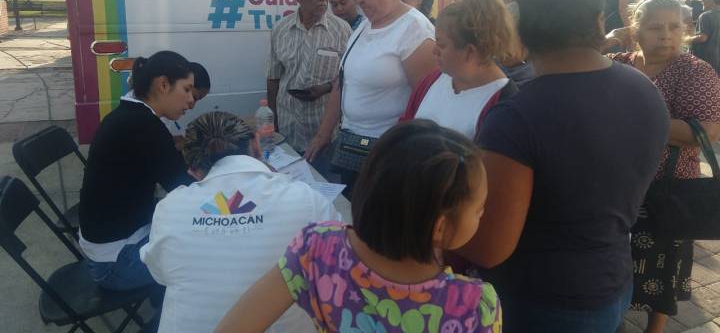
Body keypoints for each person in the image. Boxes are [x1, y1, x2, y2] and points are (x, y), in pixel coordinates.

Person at [455, 0, 670, 332]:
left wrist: (433, 227)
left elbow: (491, 248)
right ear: (598, 20)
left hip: (542, 301)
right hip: (614, 282)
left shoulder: (517, 117)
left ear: (520, 29)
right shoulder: (644, 90)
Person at [214, 120, 501, 333]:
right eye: (479, 209)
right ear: (439, 227)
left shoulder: (316, 247)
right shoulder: (472, 306)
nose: (483, 213)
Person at [140, 111, 340, 333]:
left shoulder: (171, 207)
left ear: (194, 172)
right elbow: (337, 268)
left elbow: (160, 274)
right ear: (256, 144)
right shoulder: (306, 199)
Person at [605, 0, 720, 333]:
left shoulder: (694, 71)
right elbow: (578, 66)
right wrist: (610, 39)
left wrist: (630, 117)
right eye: (655, 27)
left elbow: (705, 132)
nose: (666, 35)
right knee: (613, 261)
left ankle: (654, 328)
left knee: (663, 265)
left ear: (685, 30)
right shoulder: (618, 63)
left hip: (668, 187)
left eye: (674, 27)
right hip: (615, 185)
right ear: (635, 30)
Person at [304, 0, 436, 194]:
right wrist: (323, 134)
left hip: (388, 156)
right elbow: (342, 82)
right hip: (352, 147)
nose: (359, 0)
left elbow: (427, 102)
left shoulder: (415, 30)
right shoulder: (365, 24)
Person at [78, 50, 195, 290]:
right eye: (186, 89)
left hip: (110, 242)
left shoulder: (129, 115)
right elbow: (185, 189)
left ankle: (160, 299)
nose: (191, 100)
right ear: (163, 85)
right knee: (209, 252)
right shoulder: (144, 126)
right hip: (115, 263)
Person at [402, 0, 518, 140]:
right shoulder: (432, 80)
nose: (434, 51)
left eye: (442, 45)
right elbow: (404, 128)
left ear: (469, 51)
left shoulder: (503, 103)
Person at [267, 0, 352, 155]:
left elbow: (348, 77)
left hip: (325, 133)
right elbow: (273, 79)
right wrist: (274, 125)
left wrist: (325, 88)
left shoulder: (342, 30)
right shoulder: (280, 30)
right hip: (288, 129)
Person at [690, 0, 720, 74]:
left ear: (711, 0)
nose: (701, 2)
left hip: (707, 62)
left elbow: (702, 38)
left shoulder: (706, 16)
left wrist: (685, 39)